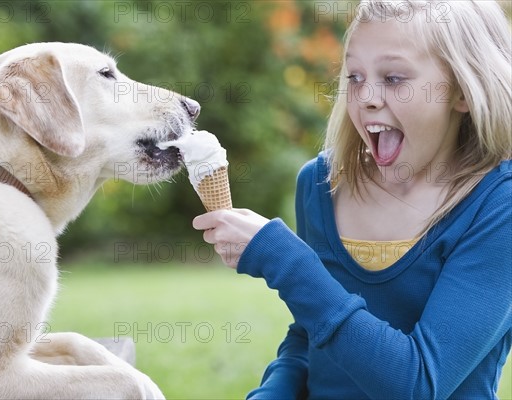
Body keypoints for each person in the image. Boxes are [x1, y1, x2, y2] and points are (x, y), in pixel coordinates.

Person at [193, 1, 512, 398]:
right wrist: (273, 392)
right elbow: (312, 335)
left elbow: (417, 384)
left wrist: (285, 260)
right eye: (355, 76)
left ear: (463, 91)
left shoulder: (499, 205)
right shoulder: (321, 184)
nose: (366, 97)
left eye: (393, 78)